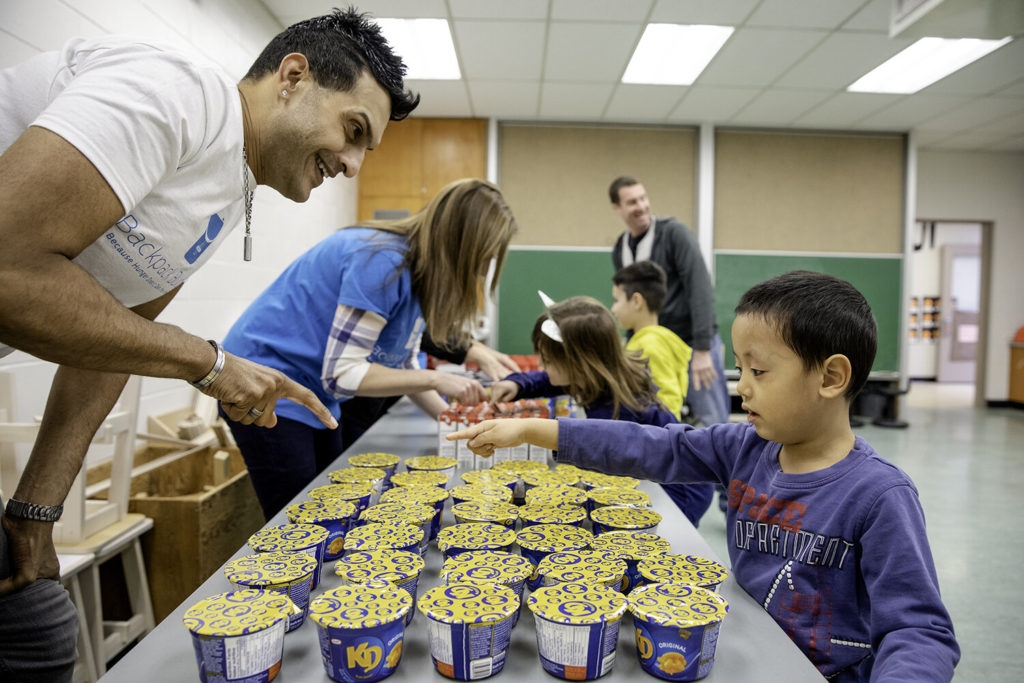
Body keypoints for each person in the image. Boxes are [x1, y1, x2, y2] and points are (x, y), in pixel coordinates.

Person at [0, 8, 416, 681]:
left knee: (40, 632)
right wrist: (210, 364)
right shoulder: (177, 92)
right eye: (353, 130)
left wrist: (35, 509)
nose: (351, 163)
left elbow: (111, 344)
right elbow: (6, 265)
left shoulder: (231, 189)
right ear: (292, 76)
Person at [451, 271, 960, 682]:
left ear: (830, 377)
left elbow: (920, 631)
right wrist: (535, 430)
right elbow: (650, 447)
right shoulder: (745, 448)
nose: (743, 390)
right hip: (739, 651)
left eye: (758, 373)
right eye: (739, 370)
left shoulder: (879, 495)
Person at [221, 178, 517, 518]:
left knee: (335, 501)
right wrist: (436, 381)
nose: (482, 270)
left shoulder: (420, 272)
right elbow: (343, 375)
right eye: (483, 258)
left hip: (315, 392)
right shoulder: (382, 260)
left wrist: (455, 422)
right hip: (267, 384)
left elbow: (403, 365)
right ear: (461, 245)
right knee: (299, 519)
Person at [489, 295, 711, 526]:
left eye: (547, 360)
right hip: (658, 478)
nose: (541, 366)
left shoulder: (619, 409)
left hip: (679, 490)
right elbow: (548, 380)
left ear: (577, 362)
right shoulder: (593, 375)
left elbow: (599, 455)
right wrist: (518, 383)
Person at [609, 176, 729, 427]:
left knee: (713, 421)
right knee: (660, 420)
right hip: (655, 348)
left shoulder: (675, 234)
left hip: (691, 346)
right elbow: (630, 302)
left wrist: (703, 349)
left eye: (643, 198)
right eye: (632, 202)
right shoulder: (621, 247)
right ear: (617, 208)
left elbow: (700, 288)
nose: (641, 206)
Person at [610, 261, 714, 526]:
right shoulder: (655, 338)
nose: (613, 309)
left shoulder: (648, 345)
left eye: (617, 300)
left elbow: (661, 403)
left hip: (665, 457)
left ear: (636, 300)